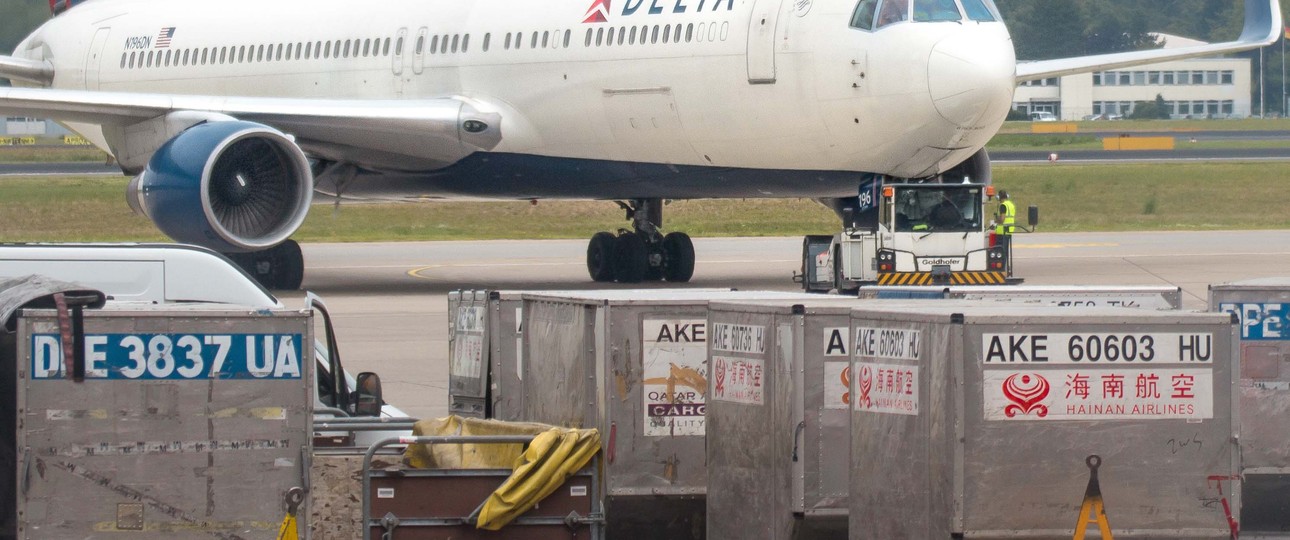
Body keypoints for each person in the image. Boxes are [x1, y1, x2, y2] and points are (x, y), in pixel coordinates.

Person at [994, 190, 1017, 265]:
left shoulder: (1003, 205)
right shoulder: (1011, 205)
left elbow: (1002, 219)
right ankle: (1004, 267)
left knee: (1000, 252)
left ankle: (1001, 267)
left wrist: (996, 221)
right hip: (1009, 230)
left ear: (999, 197)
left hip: (1002, 231)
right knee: (1005, 251)